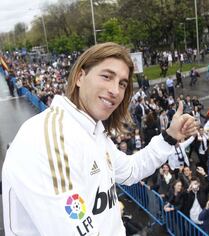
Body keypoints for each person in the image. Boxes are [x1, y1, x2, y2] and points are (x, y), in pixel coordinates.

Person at [2, 43, 198, 236]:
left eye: (122, 83)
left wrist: (170, 137)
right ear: (80, 76)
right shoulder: (47, 139)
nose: (115, 90)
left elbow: (131, 170)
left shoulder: (92, 131)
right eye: (106, 76)